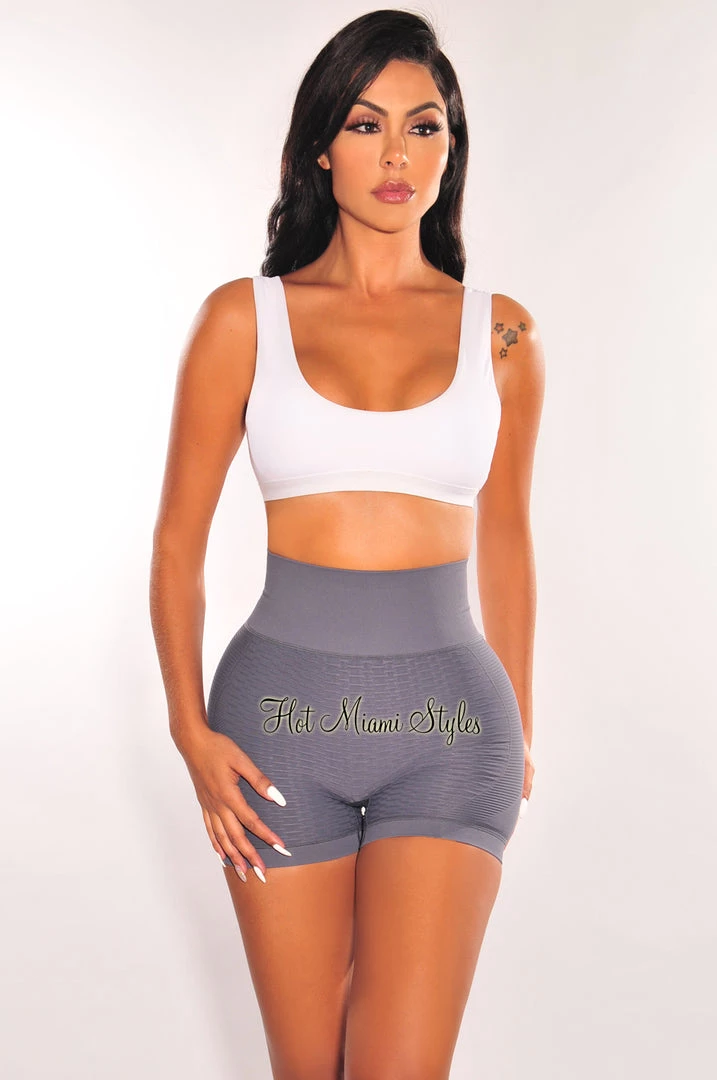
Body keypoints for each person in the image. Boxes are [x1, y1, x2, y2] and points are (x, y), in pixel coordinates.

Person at [150, 9, 544, 1079]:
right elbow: (178, 544)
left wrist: (520, 721)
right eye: (367, 126)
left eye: (424, 126)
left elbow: (509, 541)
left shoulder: (503, 333)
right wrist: (187, 729)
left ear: (451, 146)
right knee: (306, 1069)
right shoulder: (243, 319)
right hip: (278, 730)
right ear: (322, 145)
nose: (397, 155)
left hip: (450, 728)